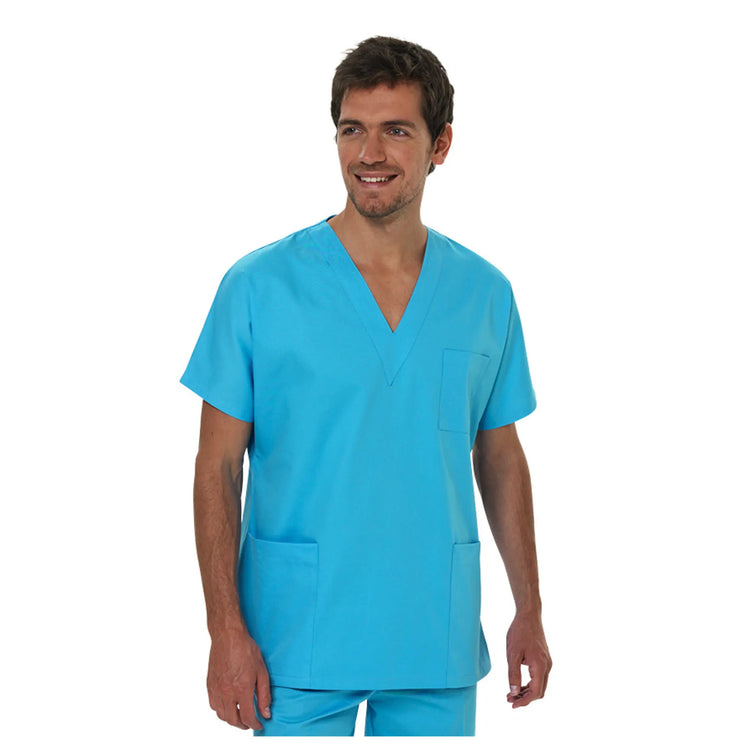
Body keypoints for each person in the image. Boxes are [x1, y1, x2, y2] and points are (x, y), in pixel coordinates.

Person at [180, 35, 552, 737]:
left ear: (441, 144)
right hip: (292, 639)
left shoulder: (484, 294)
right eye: (352, 129)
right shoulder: (258, 287)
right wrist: (224, 629)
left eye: (396, 131)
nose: (369, 153)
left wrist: (528, 608)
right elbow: (216, 466)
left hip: (433, 634)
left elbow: (500, 455)